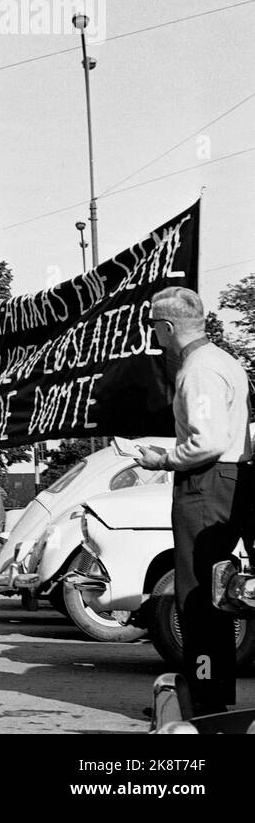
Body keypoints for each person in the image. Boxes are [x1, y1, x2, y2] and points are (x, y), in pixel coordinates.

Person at [135, 287, 254, 716]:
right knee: (218, 593)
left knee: (197, 595)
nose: (155, 335)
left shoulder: (197, 369)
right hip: (231, 478)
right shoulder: (224, 361)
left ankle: (203, 704)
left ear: (167, 327)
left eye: (154, 327)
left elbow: (206, 441)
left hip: (205, 482)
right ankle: (212, 696)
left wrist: (164, 458)